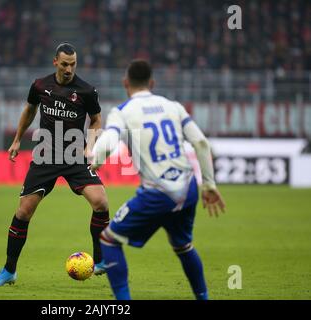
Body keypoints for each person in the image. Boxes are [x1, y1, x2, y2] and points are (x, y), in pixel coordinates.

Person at [89, 59, 226, 300]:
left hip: (158, 193)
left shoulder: (122, 111)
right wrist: (209, 185)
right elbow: (202, 143)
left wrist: (97, 159)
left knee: (108, 241)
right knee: (183, 246)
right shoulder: (173, 106)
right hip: (189, 187)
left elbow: (109, 140)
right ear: (152, 83)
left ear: (125, 83)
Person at [0, 43, 110, 286]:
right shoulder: (40, 85)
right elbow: (30, 109)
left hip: (75, 156)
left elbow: (96, 120)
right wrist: (16, 140)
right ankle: (9, 270)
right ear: (55, 62)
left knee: (101, 202)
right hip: (46, 156)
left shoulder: (86, 91)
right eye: (64, 64)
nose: (69, 69)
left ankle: (101, 259)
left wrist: (90, 146)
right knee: (23, 212)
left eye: (73, 64)